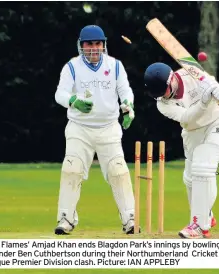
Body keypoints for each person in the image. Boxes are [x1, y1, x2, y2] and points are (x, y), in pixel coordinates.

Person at [54, 25, 137, 235]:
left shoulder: (115, 66)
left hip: (108, 128)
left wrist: (128, 106)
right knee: (71, 169)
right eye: (89, 44)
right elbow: (60, 94)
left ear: (104, 45)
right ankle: (66, 219)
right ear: (81, 46)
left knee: (118, 171)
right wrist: (73, 101)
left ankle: (130, 219)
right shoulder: (72, 67)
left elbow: (125, 90)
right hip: (79, 128)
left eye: (97, 44)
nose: (93, 48)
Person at [144, 63, 219, 239]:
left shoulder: (190, 72)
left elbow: (212, 85)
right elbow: (187, 118)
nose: (163, 95)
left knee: (203, 166)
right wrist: (204, 101)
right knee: (190, 177)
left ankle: (200, 225)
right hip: (192, 129)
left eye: (165, 90)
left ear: (171, 79)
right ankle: (205, 215)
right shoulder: (162, 104)